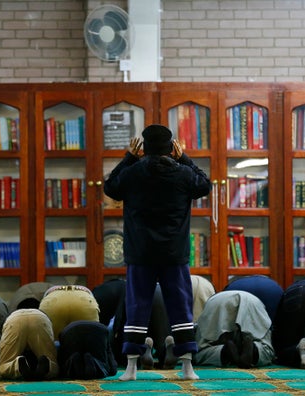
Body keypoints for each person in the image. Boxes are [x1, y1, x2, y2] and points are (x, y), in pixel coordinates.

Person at [103, 124, 212, 381]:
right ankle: (188, 369)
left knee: (136, 306)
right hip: (174, 255)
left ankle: (130, 369)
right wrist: (184, 157)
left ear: (144, 148)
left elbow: (110, 187)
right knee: (180, 308)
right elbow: (205, 184)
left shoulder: (132, 174)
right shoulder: (184, 174)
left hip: (140, 254)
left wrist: (129, 157)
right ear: (171, 148)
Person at [194, 290, 275, 369]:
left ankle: (224, 351)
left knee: (200, 350)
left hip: (217, 302)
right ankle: (254, 350)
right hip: (252, 301)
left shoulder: (217, 295)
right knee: (266, 347)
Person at [0, 308, 59, 380]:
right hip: (40, 318)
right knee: (53, 362)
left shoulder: (12, 314)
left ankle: (17, 365)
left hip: (14, 320)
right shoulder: (40, 312)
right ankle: (48, 365)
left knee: (4, 365)